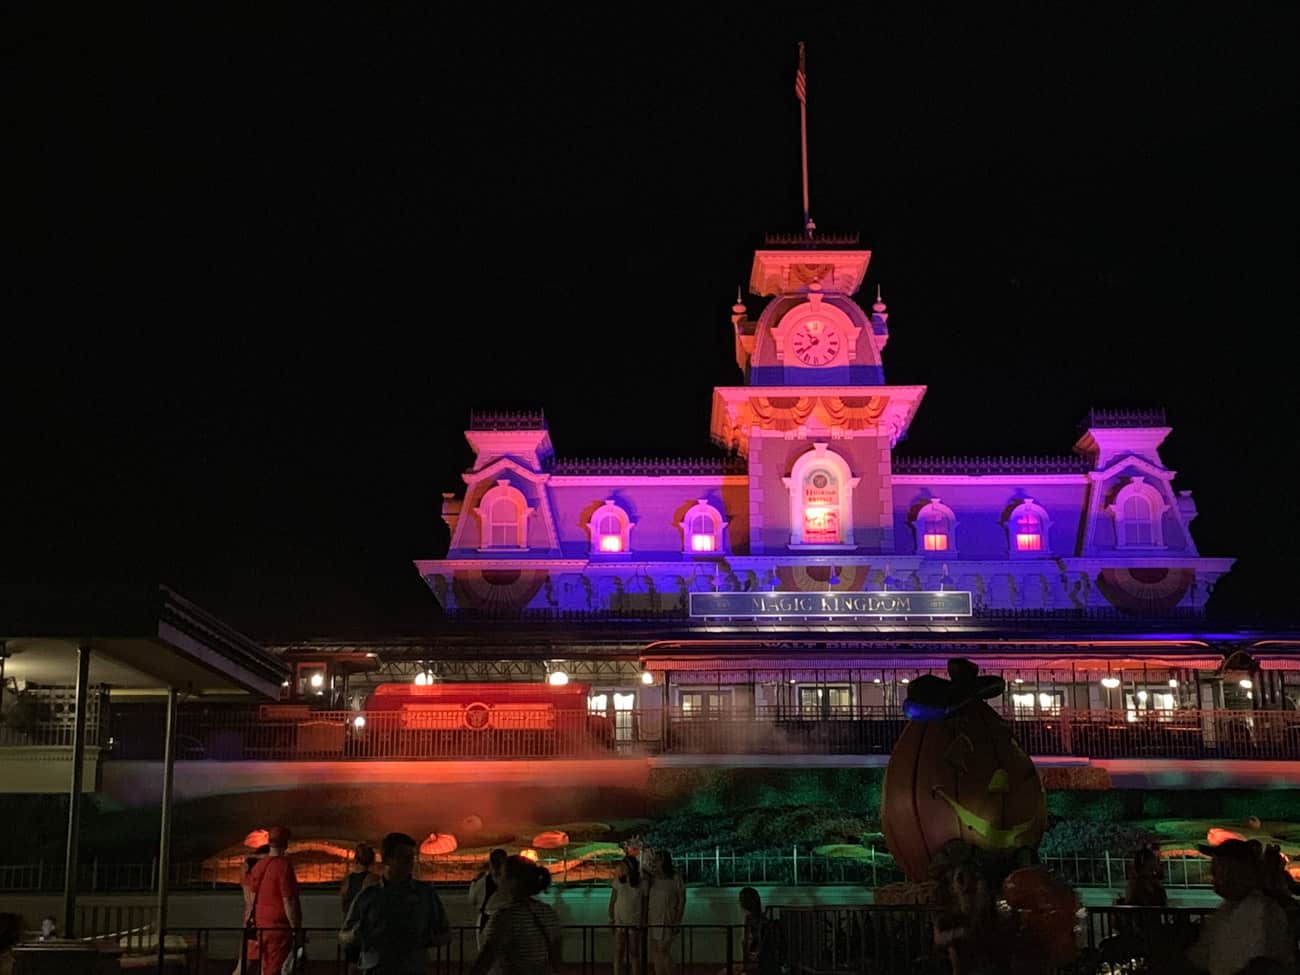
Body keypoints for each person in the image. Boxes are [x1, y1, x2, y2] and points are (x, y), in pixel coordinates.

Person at [341, 831, 451, 974]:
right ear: (387, 859)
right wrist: (357, 934)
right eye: (403, 857)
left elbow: (446, 934)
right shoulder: (368, 896)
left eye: (411, 857)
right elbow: (344, 936)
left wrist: (422, 940)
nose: (409, 862)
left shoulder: (426, 894)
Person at [1186, 839, 1294, 975]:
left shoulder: (1263, 912)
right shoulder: (1228, 909)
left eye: (1219, 872)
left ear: (1238, 873)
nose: (1214, 879)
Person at [469, 855, 560, 975]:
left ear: (512, 881)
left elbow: (485, 960)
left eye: (500, 874)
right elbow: (556, 957)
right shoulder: (548, 913)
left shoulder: (504, 917)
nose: (497, 878)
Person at [245, 825, 303, 975]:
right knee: (275, 970)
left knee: (265, 968)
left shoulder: (259, 866)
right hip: (279, 928)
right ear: (286, 843)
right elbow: (288, 900)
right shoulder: (284, 867)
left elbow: (251, 898)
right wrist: (296, 928)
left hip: (260, 926)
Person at [644, 851, 686, 975]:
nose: (655, 862)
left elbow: (682, 900)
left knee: (664, 950)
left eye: (658, 860)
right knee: (656, 950)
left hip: (668, 918)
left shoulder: (675, 878)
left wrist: (677, 920)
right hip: (654, 918)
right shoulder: (652, 879)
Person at [236, 845, 270, 975]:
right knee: (262, 965)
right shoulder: (259, 876)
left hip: (250, 921)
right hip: (258, 922)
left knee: (245, 965)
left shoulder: (247, 874)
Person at [609, 855, 644, 975]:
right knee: (619, 952)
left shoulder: (641, 883)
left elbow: (644, 903)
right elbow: (612, 901)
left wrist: (643, 920)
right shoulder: (618, 881)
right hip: (620, 921)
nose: (621, 868)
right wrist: (611, 918)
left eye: (623, 866)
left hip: (634, 920)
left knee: (634, 952)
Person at [469, 849, 509, 950]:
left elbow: (472, 900)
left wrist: (474, 882)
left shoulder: (482, 881)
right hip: (506, 918)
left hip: (485, 919)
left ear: (490, 863)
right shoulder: (510, 881)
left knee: (484, 950)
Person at [737, 888, 783, 975]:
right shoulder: (757, 918)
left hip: (760, 964)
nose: (739, 902)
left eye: (741, 899)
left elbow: (755, 945)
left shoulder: (754, 920)